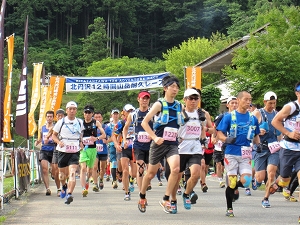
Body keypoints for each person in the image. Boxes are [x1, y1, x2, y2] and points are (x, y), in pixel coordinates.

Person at [137, 75, 183, 214]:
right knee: (150, 174)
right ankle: (142, 196)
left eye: (177, 87)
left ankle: (166, 198)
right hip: (159, 144)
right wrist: (154, 137)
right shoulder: (159, 104)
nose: (175, 89)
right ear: (165, 88)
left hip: (172, 144)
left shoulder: (179, 105)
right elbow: (144, 123)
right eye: (172, 86)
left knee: (175, 169)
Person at [217, 91, 261, 217]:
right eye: (246, 99)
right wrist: (226, 139)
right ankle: (229, 208)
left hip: (246, 153)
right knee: (231, 181)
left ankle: (233, 187)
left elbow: (256, 135)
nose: (248, 102)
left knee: (246, 181)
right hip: (231, 153)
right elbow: (219, 133)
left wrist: (258, 145)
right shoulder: (229, 116)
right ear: (239, 100)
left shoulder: (252, 118)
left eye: (250, 100)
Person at [174, 88, 206, 211]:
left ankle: (186, 193)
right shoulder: (179, 113)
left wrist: (204, 139)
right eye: (191, 98)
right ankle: (173, 199)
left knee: (196, 174)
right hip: (181, 147)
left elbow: (204, 129)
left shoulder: (201, 114)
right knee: (177, 176)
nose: (193, 101)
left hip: (195, 147)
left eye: (196, 98)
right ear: (185, 100)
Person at [270, 82, 300, 201]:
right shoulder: (291, 107)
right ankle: (278, 183)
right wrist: (289, 133)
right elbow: (275, 121)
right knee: (285, 179)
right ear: (297, 93)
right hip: (288, 148)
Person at [251, 91, 281, 208]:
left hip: (274, 148)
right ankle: (256, 181)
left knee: (272, 173)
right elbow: (250, 128)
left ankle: (266, 198)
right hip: (261, 147)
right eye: (270, 103)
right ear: (264, 102)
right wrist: (258, 132)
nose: (272, 106)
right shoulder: (257, 113)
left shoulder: (277, 114)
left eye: (274, 103)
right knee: (260, 177)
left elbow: (280, 132)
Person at [52, 101, 84, 204]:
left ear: (76, 111)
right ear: (67, 110)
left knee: (72, 173)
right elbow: (54, 135)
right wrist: (58, 142)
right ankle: (64, 186)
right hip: (63, 150)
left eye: (74, 109)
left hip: (74, 151)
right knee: (61, 175)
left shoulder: (79, 122)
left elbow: (81, 134)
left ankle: (69, 194)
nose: (72, 111)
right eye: (70, 109)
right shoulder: (61, 122)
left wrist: (81, 142)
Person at [123, 90, 153, 196]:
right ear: (138, 99)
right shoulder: (133, 114)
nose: (145, 100)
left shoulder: (153, 113)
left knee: (151, 172)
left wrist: (154, 135)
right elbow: (125, 128)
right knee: (140, 170)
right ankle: (142, 194)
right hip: (138, 145)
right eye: (143, 98)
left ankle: (145, 184)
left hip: (151, 146)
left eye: (147, 98)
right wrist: (125, 139)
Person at [212, 96, 238, 189]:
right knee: (225, 165)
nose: (234, 105)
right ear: (227, 105)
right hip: (225, 144)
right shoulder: (223, 116)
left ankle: (234, 185)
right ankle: (228, 185)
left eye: (236, 103)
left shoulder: (242, 116)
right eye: (232, 103)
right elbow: (214, 127)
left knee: (233, 167)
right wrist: (214, 137)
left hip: (238, 145)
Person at [80, 105, 106, 197]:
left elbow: (104, 135)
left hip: (92, 149)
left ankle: (87, 183)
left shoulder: (96, 123)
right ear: (83, 114)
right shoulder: (80, 123)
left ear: (92, 114)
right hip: (83, 149)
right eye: (86, 113)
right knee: (83, 168)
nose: (87, 115)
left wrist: (96, 138)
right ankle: (83, 188)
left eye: (89, 113)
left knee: (90, 170)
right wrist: (80, 142)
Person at [112, 103, 136, 200]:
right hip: (124, 149)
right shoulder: (121, 123)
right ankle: (126, 192)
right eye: (128, 111)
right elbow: (113, 135)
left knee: (134, 173)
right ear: (124, 112)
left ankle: (131, 180)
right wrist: (116, 145)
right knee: (125, 170)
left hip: (135, 149)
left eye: (132, 111)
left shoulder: (137, 121)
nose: (130, 113)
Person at [35, 110, 59, 196]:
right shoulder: (42, 128)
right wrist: (37, 142)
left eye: (51, 117)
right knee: (44, 169)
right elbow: (40, 138)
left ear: (53, 118)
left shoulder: (56, 127)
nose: (49, 118)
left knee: (54, 171)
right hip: (44, 150)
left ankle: (58, 188)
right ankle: (47, 188)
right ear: (46, 118)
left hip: (53, 150)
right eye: (48, 116)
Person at [92, 111, 112, 191]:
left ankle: (101, 179)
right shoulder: (91, 127)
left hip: (103, 150)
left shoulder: (105, 127)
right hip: (94, 150)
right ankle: (95, 184)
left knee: (102, 168)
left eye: (99, 117)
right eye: (96, 117)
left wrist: (107, 141)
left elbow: (113, 136)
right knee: (95, 167)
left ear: (102, 118)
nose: (97, 119)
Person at [108, 109, 120, 189]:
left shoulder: (121, 124)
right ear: (112, 115)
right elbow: (108, 136)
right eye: (114, 114)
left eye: (116, 114)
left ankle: (121, 175)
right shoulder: (109, 126)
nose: (115, 116)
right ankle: (114, 180)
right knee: (114, 161)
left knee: (121, 162)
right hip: (112, 145)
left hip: (120, 145)